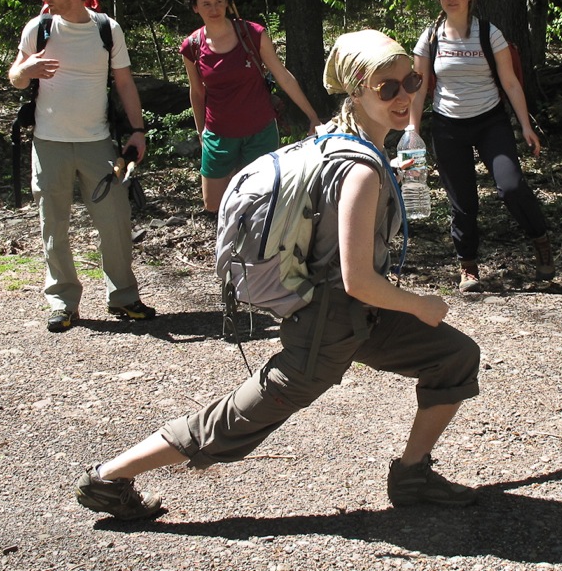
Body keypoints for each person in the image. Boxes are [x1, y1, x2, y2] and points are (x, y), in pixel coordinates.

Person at [74, 30, 481, 520]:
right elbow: (357, 279)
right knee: (233, 421)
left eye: (411, 81)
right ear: (356, 91)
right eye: (386, 87)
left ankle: (413, 474)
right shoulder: (361, 170)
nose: (404, 95)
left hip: (359, 317)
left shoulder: (338, 138)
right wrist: (421, 304)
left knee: (454, 356)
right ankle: (109, 477)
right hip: (329, 326)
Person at [8, 0, 155, 333]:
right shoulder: (38, 28)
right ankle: (63, 303)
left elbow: (124, 84)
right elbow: (16, 77)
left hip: (98, 144)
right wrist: (25, 72)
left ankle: (123, 298)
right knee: (53, 224)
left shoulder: (107, 30)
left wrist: (137, 131)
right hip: (48, 142)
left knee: (116, 223)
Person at [410, 0, 554, 293]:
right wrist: (413, 132)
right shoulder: (430, 39)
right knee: (463, 202)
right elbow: (418, 91)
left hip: (491, 121)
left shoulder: (490, 33)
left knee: (511, 186)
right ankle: (469, 268)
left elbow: (511, 83)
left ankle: (541, 240)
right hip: (448, 126)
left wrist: (526, 126)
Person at [179, 0, 322, 212]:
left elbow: (282, 76)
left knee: (261, 202)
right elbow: (197, 92)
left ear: (227, 2)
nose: (214, 9)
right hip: (218, 134)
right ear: (195, 8)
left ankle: (253, 247)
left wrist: (312, 116)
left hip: (259, 131)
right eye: (206, 4)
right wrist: (201, 131)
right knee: (213, 204)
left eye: (219, 2)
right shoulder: (192, 46)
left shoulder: (252, 34)